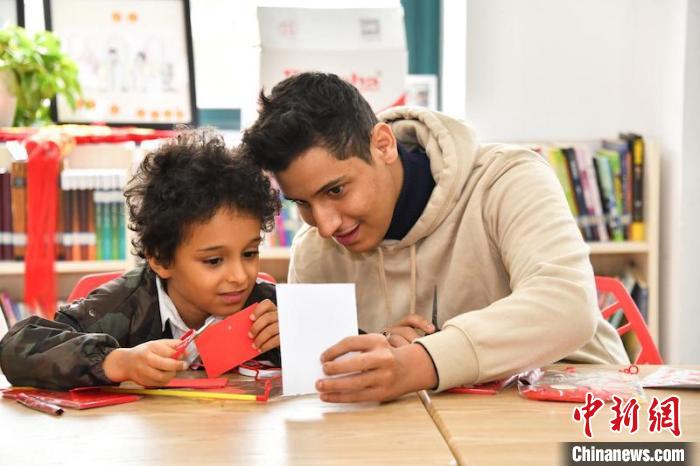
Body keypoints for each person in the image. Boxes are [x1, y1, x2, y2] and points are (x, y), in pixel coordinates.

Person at [241, 72, 629, 403]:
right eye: (302, 203)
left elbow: (566, 305)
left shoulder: (508, 180)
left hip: (579, 410)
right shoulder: (315, 251)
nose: (325, 225)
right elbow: (326, 381)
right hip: (419, 434)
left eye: (336, 190)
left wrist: (419, 363)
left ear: (383, 144)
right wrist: (374, 347)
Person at [0, 129, 282, 390]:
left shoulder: (269, 310)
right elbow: (17, 347)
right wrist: (116, 362)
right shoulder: (124, 305)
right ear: (160, 258)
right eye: (213, 261)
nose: (240, 276)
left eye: (249, 254)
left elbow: (321, 358)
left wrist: (293, 339)